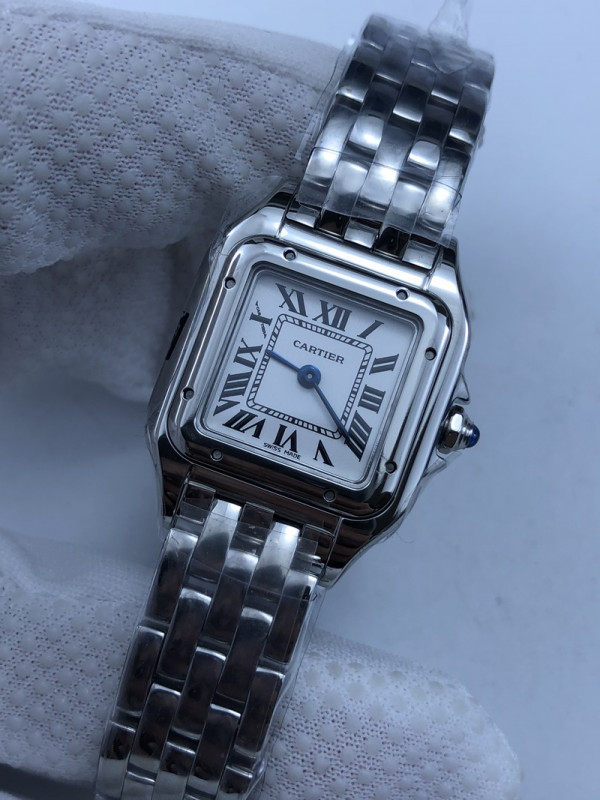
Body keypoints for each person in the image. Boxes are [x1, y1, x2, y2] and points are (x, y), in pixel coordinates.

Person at [0, 2, 520, 798]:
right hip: (235, 478)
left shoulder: (413, 311)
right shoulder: (259, 255)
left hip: (283, 504)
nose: (312, 379)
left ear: (434, 431)